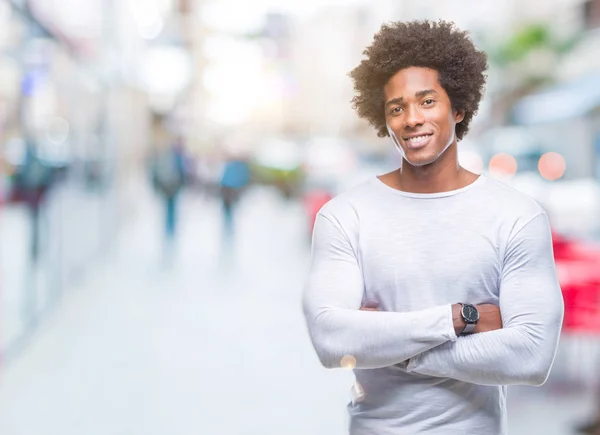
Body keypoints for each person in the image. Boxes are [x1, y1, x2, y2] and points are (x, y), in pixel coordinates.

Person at [302, 20, 564, 435]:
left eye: (427, 102)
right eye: (396, 107)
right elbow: (332, 342)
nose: (411, 119)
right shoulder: (344, 216)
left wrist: (392, 347)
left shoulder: (517, 216)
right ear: (383, 118)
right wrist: (462, 318)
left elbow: (530, 356)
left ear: (457, 108)